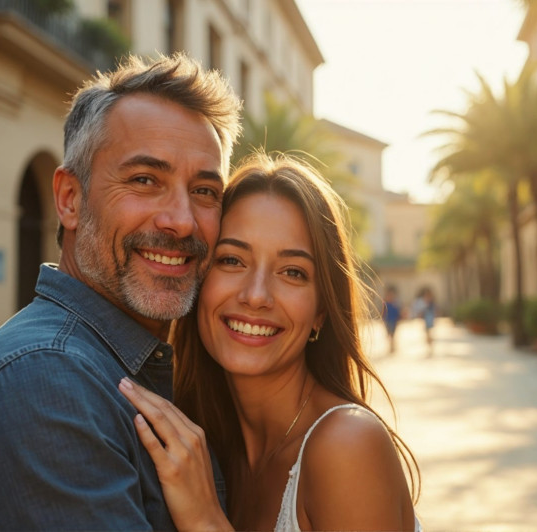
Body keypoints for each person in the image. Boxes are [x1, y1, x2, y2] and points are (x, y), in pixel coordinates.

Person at [0, 53, 242, 530]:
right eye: (144, 180)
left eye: (204, 191)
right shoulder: (46, 381)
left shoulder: (127, 364)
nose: (180, 221)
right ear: (69, 199)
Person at [118, 154, 421, 531]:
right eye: (232, 260)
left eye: (292, 272)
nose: (257, 295)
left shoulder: (347, 445)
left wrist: (205, 521)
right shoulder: (203, 444)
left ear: (321, 311)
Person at [412, 286, 436, 353]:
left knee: (428, 332)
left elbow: (432, 309)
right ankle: (429, 344)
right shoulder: (424, 301)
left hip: (429, 317)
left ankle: (430, 344)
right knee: (428, 332)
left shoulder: (430, 302)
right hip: (427, 318)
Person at [382, 285, 403, 354]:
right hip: (388, 320)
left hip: (394, 321)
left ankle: (392, 347)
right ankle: (391, 347)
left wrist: (399, 318)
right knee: (389, 334)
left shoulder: (395, 304)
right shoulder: (386, 304)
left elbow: (398, 312)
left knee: (393, 334)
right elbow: (383, 312)